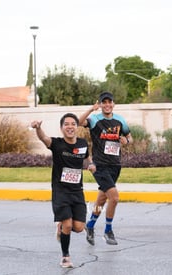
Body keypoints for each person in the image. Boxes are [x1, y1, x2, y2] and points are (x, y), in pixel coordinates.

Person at [30, 113, 95, 268]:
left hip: (77, 191)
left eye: (73, 124)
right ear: (61, 128)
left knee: (78, 227)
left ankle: (61, 227)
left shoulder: (82, 144)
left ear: (77, 127)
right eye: (66, 124)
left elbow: (87, 156)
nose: (70, 127)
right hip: (61, 192)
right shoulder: (57, 144)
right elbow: (44, 138)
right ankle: (65, 256)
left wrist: (91, 164)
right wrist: (38, 128)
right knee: (68, 224)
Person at [79, 91, 132, 245]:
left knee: (102, 199)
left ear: (113, 104)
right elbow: (79, 122)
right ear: (101, 104)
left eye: (110, 102)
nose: (107, 105)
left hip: (115, 165)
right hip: (100, 165)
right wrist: (90, 109)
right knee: (114, 198)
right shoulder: (95, 119)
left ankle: (89, 226)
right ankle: (108, 231)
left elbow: (129, 137)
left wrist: (126, 141)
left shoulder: (120, 120)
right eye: (104, 102)